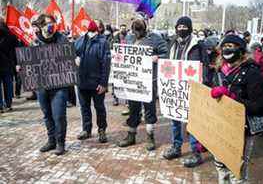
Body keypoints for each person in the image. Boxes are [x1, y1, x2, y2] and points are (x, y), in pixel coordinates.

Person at [211, 35, 263, 183]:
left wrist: (233, 97)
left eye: (231, 46)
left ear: (241, 51)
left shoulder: (252, 72)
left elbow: (259, 106)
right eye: (224, 46)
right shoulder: (218, 71)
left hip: (243, 129)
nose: (227, 49)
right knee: (220, 166)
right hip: (221, 127)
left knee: (237, 172)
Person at [162, 16, 209, 168]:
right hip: (175, 90)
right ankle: (176, 147)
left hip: (193, 90)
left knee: (193, 122)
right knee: (175, 120)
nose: (181, 29)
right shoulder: (172, 43)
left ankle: (196, 153)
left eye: (184, 26)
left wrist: (204, 84)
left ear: (190, 28)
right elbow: (167, 63)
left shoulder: (198, 46)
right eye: (179, 26)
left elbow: (206, 67)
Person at [118, 14, 168, 151]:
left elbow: (166, 53)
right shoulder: (129, 37)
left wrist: (157, 57)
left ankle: (150, 136)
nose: (137, 29)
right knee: (133, 109)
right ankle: (131, 135)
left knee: (149, 109)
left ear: (145, 24)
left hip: (148, 80)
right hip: (133, 80)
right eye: (134, 23)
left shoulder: (155, 38)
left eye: (139, 23)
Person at [33, 14, 70, 155]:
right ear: (41, 26)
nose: (51, 26)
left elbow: (69, 58)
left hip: (59, 85)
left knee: (59, 115)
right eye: (48, 23)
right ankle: (51, 140)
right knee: (47, 114)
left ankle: (61, 143)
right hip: (42, 85)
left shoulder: (62, 39)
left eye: (53, 23)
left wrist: (74, 60)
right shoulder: (35, 42)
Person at [75, 20, 111, 143]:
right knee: (84, 107)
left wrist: (104, 83)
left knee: (99, 107)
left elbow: (106, 64)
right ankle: (86, 129)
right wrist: (75, 59)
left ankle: (102, 129)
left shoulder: (103, 42)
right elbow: (72, 54)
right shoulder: (80, 40)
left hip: (97, 83)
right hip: (82, 81)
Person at [0, 17, 18, 113]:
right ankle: (9, 103)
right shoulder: (11, 35)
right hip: (8, 63)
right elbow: (16, 50)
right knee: (8, 84)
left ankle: (0, 105)